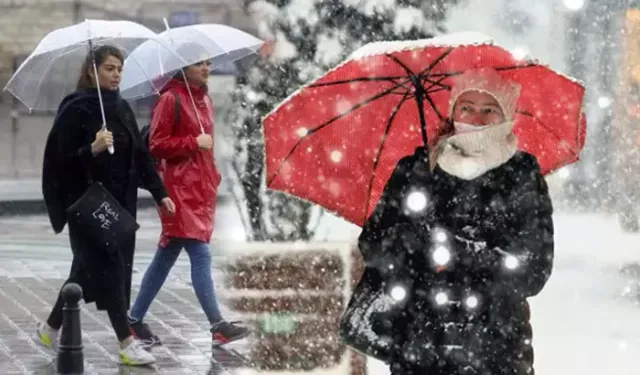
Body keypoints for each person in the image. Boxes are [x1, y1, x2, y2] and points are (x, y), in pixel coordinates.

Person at [340, 68, 554, 375]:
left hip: (498, 352)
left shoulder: (520, 174)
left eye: (489, 109)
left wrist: (458, 249)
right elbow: (373, 246)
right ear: (453, 111)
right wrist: (410, 238)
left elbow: (534, 271)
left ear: (506, 114)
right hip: (419, 348)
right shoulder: (416, 169)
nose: (476, 118)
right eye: (467, 107)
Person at [36, 45, 176, 366]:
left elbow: (140, 156)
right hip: (87, 205)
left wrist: (159, 192)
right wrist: (92, 149)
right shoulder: (75, 108)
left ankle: (48, 329)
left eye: (119, 69)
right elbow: (59, 163)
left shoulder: (121, 107)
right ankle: (126, 342)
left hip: (120, 206)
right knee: (110, 268)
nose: (116, 75)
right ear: (92, 71)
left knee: (85, 271)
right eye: (109, 68)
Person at [127, 51, 249, 348]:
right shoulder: (171, 99)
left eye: (208, 62)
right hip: (177, 191)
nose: (206, 67)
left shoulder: (203, 99)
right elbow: (156, 145)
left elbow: (205, 149)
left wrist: (212, 173)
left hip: (200, 189)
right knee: (200, 253)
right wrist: (193, 143)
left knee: (167, 254)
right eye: (199, 62)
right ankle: (217, 325)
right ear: (182, 68)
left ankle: (132, 319)